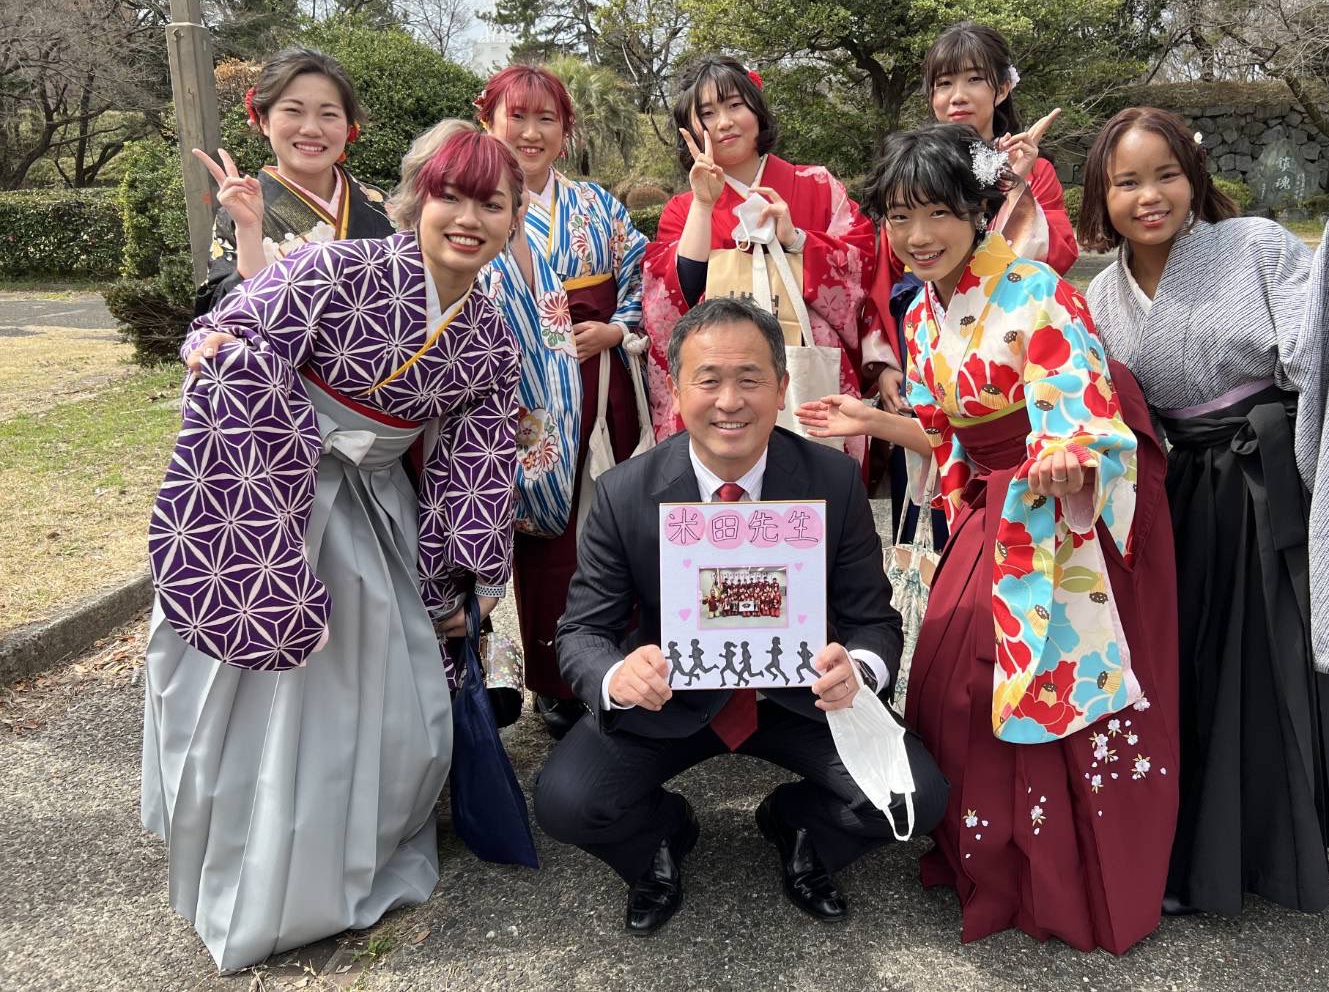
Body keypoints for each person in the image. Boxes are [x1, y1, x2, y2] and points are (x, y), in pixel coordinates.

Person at [142, 121, 524, 971]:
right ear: (417, 202)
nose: (467, 218)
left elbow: (479, 455)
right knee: (251, 687)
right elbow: (225, 339)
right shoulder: (333, 270)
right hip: (276, 499)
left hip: (378, 510)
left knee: (385, 699)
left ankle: (342, 853)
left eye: (490, 203)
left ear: (512, 216)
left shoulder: (489, 338)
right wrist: (252, 396)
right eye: (450, 197)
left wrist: (464, 577)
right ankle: (244, 859)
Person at [796, 122, 1180, 954]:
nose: (916, 237)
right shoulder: (926, 312)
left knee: (1030, 683)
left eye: (935, 212)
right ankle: (984, 856)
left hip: (1058, 525)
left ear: (979, 209)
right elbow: (950, 433)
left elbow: (1087, 423)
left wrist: (1064, 461)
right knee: (949, 675)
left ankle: (1065, 881)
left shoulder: (1039, 293)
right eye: (898, 219)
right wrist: (872, 419)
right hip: (993, 508)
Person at [1078, 107, 1329, 917]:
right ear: (1101, 194)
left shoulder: (1255, 246)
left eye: (1164, 174)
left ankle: (1272, 850)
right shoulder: (1099, 293)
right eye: (1126, 182)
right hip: (1174, 493)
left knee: (1269, 673)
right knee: (1185, 674)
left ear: (1193, 177)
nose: (1149, 196)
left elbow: (1326, 338)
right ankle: (1195, 848)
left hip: (1263, 484)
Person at [533, 297, 947, 937]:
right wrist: (618, 676)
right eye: (710, 379)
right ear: (675, 391)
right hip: (672, 699)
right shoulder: (626, 493)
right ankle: (662, 837)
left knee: (917, 797)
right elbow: (582, 631)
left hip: (799, 698)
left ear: (782, 388)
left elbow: (874, 622)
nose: (730, 401)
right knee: (567, 801)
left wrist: (858, 669)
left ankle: (798, 824)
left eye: (750, 379)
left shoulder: (831, 481)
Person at [472, 64, 650, 738]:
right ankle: (550, 677)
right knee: (539, 534)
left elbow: (641, 271)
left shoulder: (596, 207)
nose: (530, 131)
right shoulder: (476, 202)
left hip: (599, 387)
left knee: (607, 524)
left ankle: (617, 657)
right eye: (516, 115)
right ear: (489, 120)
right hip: (516, 399)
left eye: (546, 118)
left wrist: (617, 327)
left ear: (565, 130)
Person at [871, 23, 1078, 548]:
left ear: (1002, 89)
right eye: (942, 84)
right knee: (943, 528)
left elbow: (1047, 258)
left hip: (1010, 367)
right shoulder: (911, 166)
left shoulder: (1030, 170)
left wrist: (1019, 183)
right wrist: (889, 362)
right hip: (932, 357)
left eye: (972, 80)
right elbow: (889, 273)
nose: (956, 96)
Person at [640, 56, 886, 464]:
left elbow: (863, 268)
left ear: (756, 109)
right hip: (724, 386)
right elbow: (671, 304)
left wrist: (797, 240)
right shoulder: (683, 210)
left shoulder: (817, 186)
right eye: (707, 113)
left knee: (815, 489)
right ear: (690, 129)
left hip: (806, 375)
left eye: (735, 105)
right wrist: (704, 205)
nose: (723, 122)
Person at [193, 47, 394, 314]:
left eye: (329, 114)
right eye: (293, 111)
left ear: (348, 127)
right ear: (264, 120)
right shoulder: (240, 213)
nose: (311, 129)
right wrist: (248, 230)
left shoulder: (382, 206)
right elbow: (223, 322)